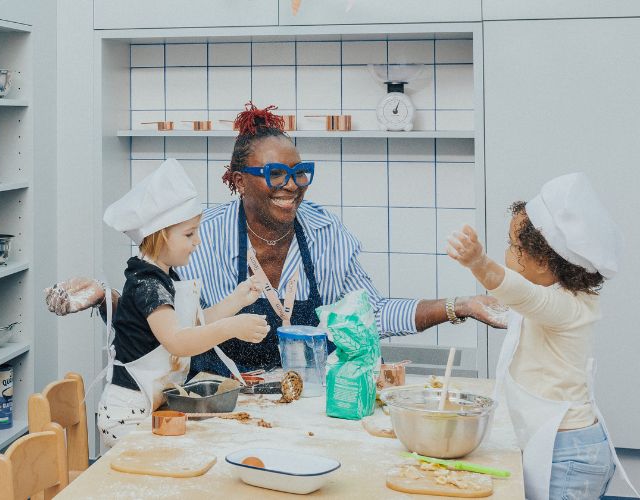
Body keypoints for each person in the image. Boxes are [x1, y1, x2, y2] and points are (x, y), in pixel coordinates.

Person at [44, 102, 508, 375]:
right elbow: (165, 318)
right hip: (219, 407)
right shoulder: (196, 238)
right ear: (239, 180)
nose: (292, 185)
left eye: (300, 173)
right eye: (275, 174)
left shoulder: (325, 234)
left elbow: (372, 314)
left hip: (308, 409)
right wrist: (106, 297)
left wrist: (457, 306)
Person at [447, 172, 636, 500]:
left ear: (546, 263)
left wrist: (479, 263)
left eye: (513, 246)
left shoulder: (564, 306)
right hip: (564, 446)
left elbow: (523, 295)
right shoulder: (563, 300)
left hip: (569, 456)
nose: (507, 252)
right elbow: (527, 307)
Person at [96, 159, 269, 449]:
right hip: (127, 416)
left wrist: (238, 300)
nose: (197, 241)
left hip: (151, 404)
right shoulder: (147, 284)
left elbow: (196, 325)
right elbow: (178, 342)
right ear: (160, 236)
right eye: (189, 234)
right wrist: (231, 327)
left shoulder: (163, 277)